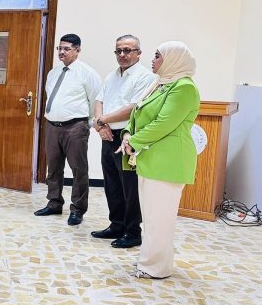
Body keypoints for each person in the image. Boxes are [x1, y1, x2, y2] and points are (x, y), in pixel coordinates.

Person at [119, 41, 200, 279]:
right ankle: (154, 261)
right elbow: (138, 112)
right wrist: (127, 133)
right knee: (152, 218)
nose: (153, 60)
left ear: (173, 59)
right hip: (151, 159)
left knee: (159, 219)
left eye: (157, 56)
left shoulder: (184, 87)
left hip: (168, 161)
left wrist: (133, 142)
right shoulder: (161, 83)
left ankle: (155, 268)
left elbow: (164, 123)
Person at [91, 35, 156, 248]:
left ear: (139, 53)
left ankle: (133, 232)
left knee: (130, 186)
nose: (122, 54)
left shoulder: (145, 77)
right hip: (107, 134)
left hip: (127, 137)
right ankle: (116, 225)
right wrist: (100, 125)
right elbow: (99, 100)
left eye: (127, 50)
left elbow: (133, 109)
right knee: (112, 184)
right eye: (118, 51)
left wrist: (102, 120)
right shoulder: (112, 76)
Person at [34, 33, 102, 226]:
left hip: (75, 127)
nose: (61, 52)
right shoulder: (54, 72)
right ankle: (54, 203)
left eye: (66, 49)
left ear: (77, 50)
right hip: (52, 126)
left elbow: (95, 100)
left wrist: (88, 123)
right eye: (60, 48)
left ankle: (78, 209)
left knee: (78, 169)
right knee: (53, 167)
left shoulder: (87, 73)